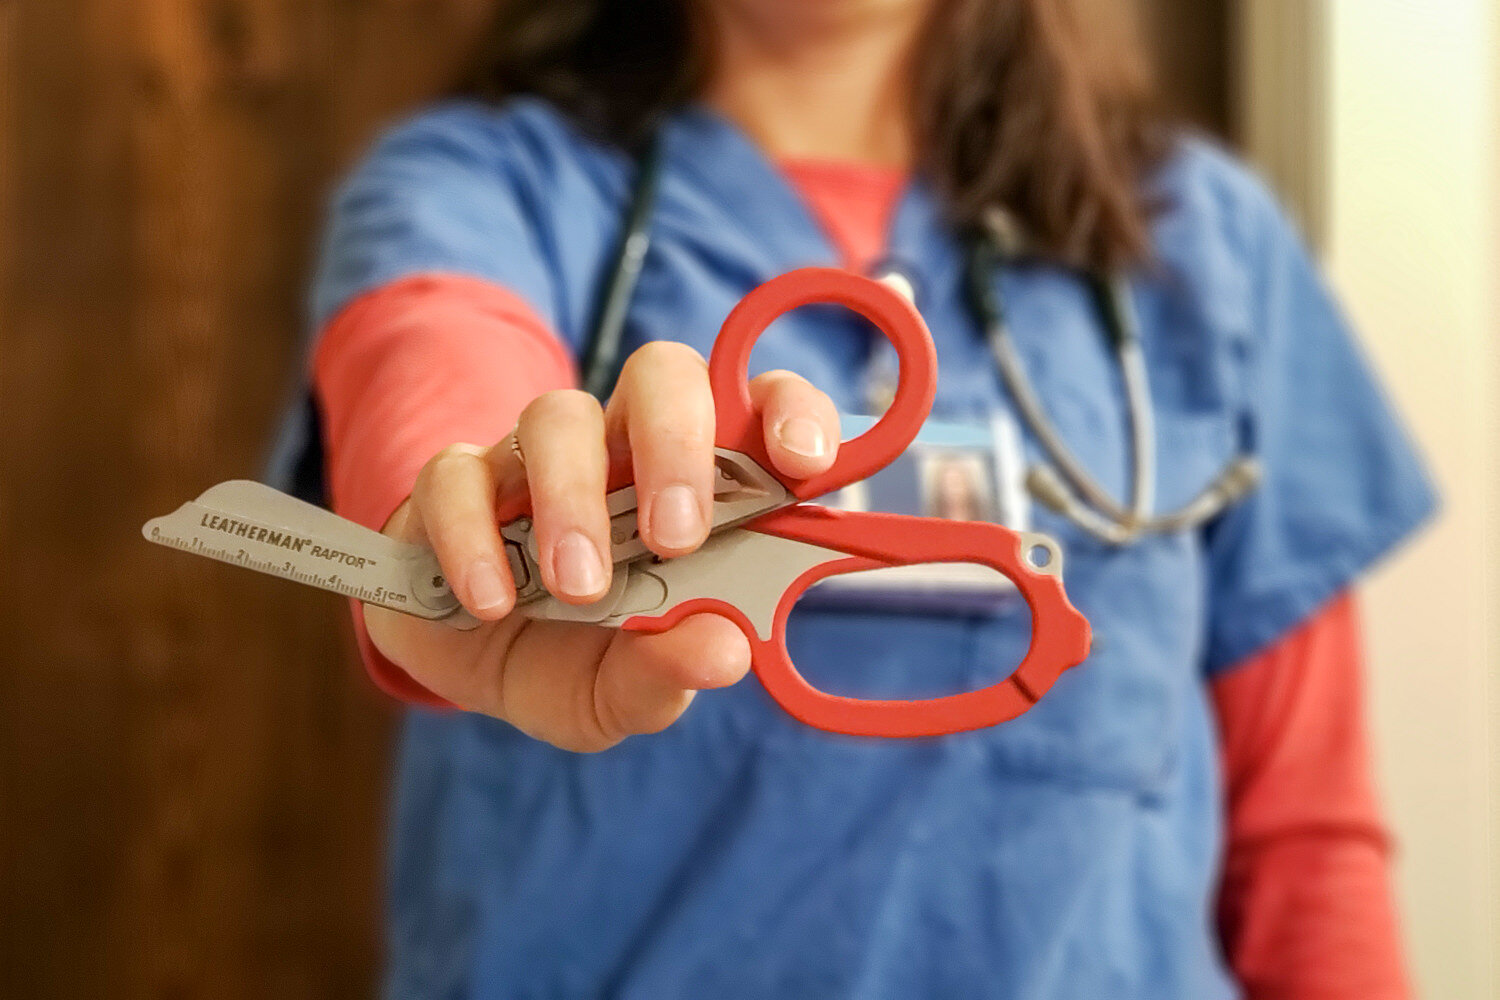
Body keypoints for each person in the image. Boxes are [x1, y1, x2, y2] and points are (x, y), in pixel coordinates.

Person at [278, 0, 1436, 996]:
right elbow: (433, 345)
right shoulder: (482, 184)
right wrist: (468, 525)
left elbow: (1304, 843)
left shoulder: (1208, 242)